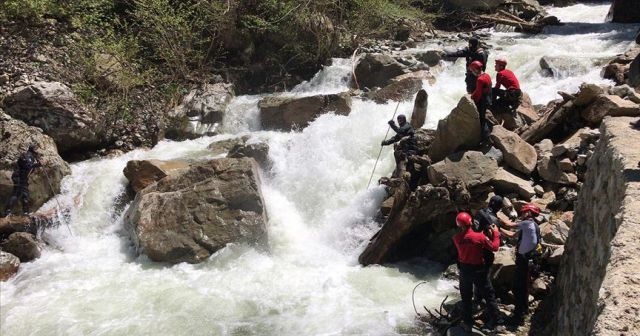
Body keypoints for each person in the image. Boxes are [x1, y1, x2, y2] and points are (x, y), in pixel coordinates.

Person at [453, 211, 501, 332]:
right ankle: (496, 321)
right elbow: (495, 247)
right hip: (478, 270)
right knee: (489, 295)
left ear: (459, 225)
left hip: (464, 270)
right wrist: (496, 234)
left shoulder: (456, 239)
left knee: (466, 297)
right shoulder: (479, 237)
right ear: (471, 222)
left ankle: (468, 322)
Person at [498, 203, 542, 325]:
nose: (522, 214)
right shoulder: (532, 226)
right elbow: (511, 234)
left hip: (525, 261)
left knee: (519, 287)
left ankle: (518, 317)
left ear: (528, 213)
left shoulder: (528, 223)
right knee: (524, 287)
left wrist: (498, 216)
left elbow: (509, 225)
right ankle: (524, 309)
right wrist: (498, 230)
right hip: (528, 261)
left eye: (524, 212)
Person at [473, 195, 504, 304]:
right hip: (485, 251)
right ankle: (489, 304)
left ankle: (476, 299)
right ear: (499, 207)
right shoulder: (494, 220)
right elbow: (495, 240)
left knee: (477, 277)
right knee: (485, 279)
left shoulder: (479, 212)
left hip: (473, 248)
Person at [3, 144, 41, 217]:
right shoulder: (27, 156)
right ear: (32, 150)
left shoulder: (32, 157)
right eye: (36, 149)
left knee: (24, 195)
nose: (37, 151)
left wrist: (37, 164)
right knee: (17, 194)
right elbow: (27, 165)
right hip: (19, 177)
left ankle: (25, 213)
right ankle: (8, 212)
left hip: (23, 178)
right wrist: (37, 164)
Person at [469, 61, 492, 140]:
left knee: (481, 120)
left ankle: (485, 137)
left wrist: (472, 98)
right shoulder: (487, 75)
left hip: (483, 101)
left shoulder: (480, 79)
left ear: (475, 70)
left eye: (472, 71)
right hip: (489, 98)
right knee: (483, 118)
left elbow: (478, 94)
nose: (472, 73)